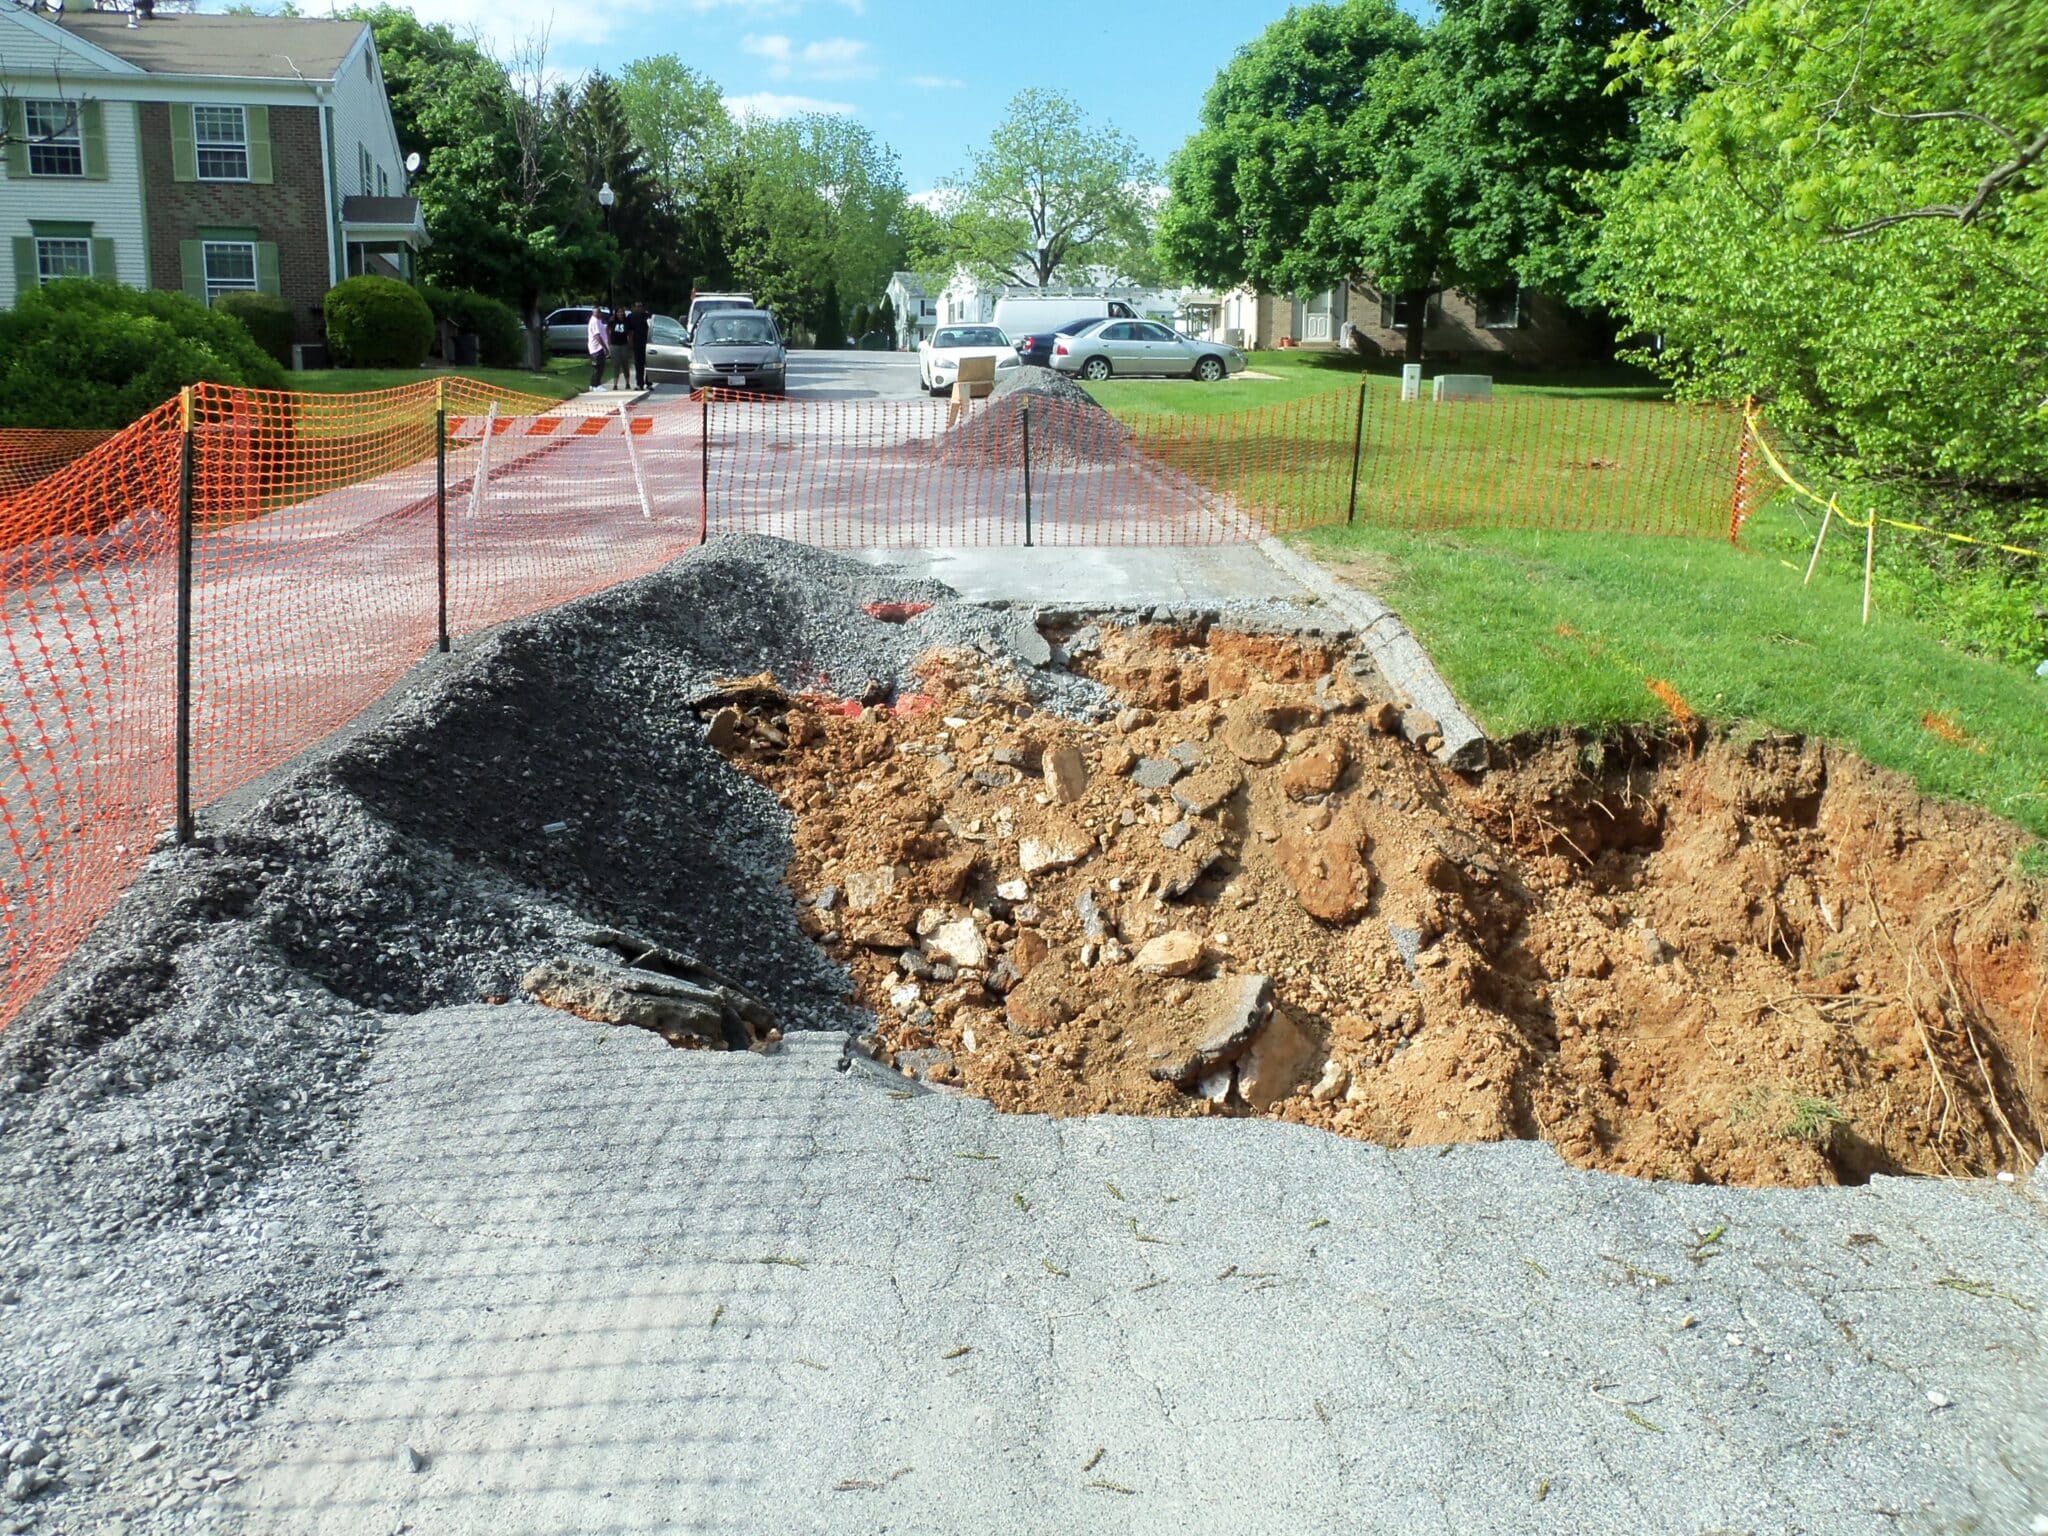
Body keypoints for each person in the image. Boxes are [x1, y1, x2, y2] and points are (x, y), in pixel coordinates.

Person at [626, 302, 651, 390]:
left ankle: (649, 383)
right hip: (636, 343)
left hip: (647, 343)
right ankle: (639, 383)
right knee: (638, 365)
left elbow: (650, 328)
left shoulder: (647, 316)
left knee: (648, 364)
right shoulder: (630, 317)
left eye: (640, 306)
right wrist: (630, 343)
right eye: (637, 306)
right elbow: (629, 331)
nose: (639, 308)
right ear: (633, 307)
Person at [608, 306, 633, 390]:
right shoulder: (612, 321)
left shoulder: (627, 321)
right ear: (616, 313)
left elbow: (630, 333)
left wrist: (630, 343)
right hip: (614, 345)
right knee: (616, 365)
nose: (620, 313)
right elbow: (607, 330)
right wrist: (609, 341)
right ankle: (615, 385)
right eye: (618, 312)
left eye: (622, 312)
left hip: (624, 345)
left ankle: (627, 383)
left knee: (625, 364)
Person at [586, 308, 607, 387]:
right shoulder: (594, 321)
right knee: (598, 367)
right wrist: (604, 347)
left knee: (601, 367)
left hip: (599, 348)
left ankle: (596, 384)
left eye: (599, 312)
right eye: (597, 313)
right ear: (594, 313)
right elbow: (597, 336)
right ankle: (595, 385)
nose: (599, 314)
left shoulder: (598, 320)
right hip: (596, 348)